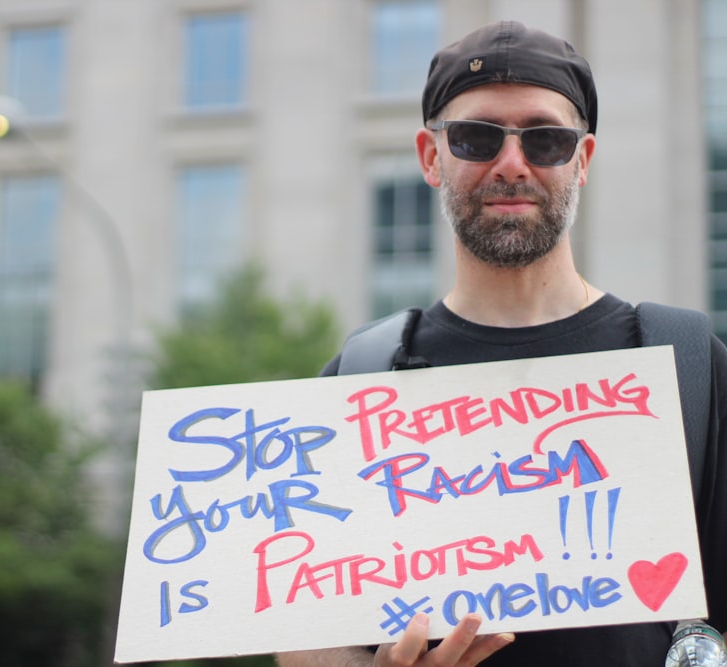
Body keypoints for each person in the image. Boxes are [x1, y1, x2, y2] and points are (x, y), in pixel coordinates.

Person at [276, 20, 727, 667]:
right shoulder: (363, 374)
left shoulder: (685, 364)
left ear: (583, 160)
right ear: (432, 158)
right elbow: (301, 629)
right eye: (477, 137)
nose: (512, 164)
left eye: (545, 139)